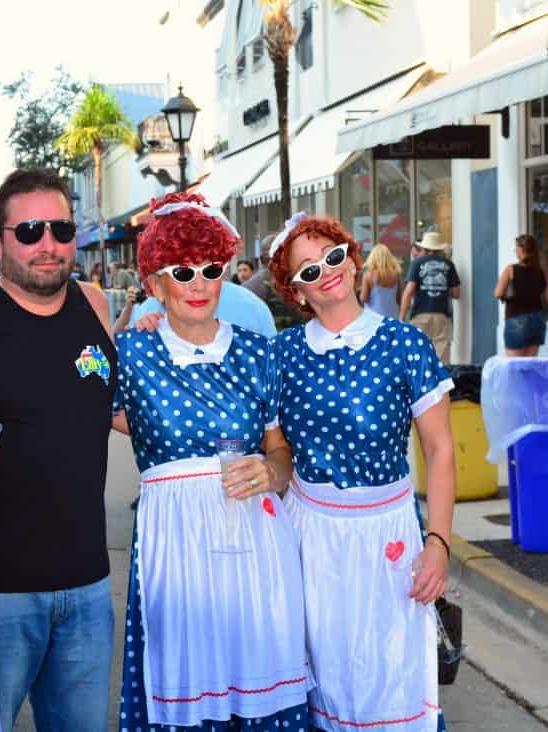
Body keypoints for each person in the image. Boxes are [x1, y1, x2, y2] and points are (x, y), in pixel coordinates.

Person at [113, 192, 308, 731]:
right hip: (172, 541)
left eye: (211, 269)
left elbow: (280, 449)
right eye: (181, 270)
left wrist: (273, 471)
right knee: (184, 681)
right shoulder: (128, 354)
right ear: (155, 282)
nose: (198, 283)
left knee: (259, 678)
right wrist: (118, 330)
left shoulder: (257, 350)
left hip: (253, 532)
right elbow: (73, 371)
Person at [0, 168, 116, 731]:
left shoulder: (97, 305)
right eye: (30, 230)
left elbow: (114, 409)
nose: (47, 245)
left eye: (61, 230)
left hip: (88, 587)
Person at [269, 212, 455, 732]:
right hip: (312, 540)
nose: (325, 272)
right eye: (307, 271)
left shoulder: (405, 344)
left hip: (389, 536)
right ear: (297, 292)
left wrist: (438, 542)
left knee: (392, 678)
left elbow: (440, 450)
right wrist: (150, 318)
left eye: (331, 257)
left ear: (352, 259)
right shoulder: (280, 355)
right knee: (323, 681)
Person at [127, 280, 278, 337]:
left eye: (209, 270)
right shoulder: (148, 310)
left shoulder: (251, 306)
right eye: (182, 273)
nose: (198, 285)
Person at [399, 231, 460, 363]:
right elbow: (456, 294)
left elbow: (409, 291)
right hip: (442, 315)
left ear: (424, 248)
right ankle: (440, 382)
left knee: (419, 353)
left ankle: (422, 382)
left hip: (420, 314)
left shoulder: (417, 263)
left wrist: (402, 316)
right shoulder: (449, 265)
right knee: (441, 356)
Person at [494, 234, 546, 357]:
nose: (514, 250)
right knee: (530, 366)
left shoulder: (511, 269)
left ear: (522, 249)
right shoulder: (541, 270)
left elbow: (497, 293)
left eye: (516, 247)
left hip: (516, 319)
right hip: (537, 319)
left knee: (514, 367)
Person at [360, 243, 402, 320]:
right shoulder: (396, 275)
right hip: (393, 316)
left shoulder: (369, 275)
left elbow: (364, 298)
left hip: (374, 317)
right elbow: (398, 298)